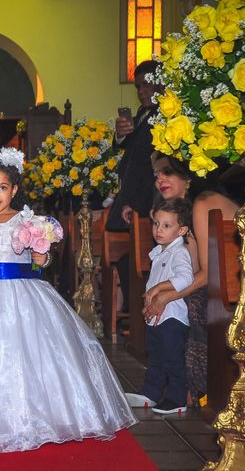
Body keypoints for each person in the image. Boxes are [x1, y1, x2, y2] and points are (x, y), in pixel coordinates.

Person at [0, 149, 137, 453]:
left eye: (3, 187)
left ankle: (37, 415)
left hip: (24, 295)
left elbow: (40, 262)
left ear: (15, 190)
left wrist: (41, 255)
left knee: (30, 357)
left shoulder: (27, 220)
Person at [145, 152, 239, 405]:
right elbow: (195, 268)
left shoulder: (203, 202)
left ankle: (194, 387)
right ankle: (178, 386)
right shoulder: (184, 211)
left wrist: (167, 296)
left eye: (167, 172)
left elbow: (208, 275)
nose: (160, 180)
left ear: (188, 175)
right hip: (224, 284)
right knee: (180, 303)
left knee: (187, 303)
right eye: (156, 175)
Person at [125, 198, 194, 414]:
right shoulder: (161, 251)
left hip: (172, 318)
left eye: (166, 225)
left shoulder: (179, 252)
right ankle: (151, 394)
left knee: (172, 358)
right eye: (156, 224)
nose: (158, 230)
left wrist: (157, 290)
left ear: (181, 229)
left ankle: (177, 399)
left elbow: (186, 278)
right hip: (157, 317)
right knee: (155, 356)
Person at [106, 60, 163, 309]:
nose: (142, 91)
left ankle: (141, 311)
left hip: (150, 198)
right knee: (130, 258)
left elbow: (149, 165)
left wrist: (136, 204)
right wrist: (119, 135)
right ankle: (136, 311)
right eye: (138, 86)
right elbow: (128, 150)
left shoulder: (167, 116)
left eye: (147, 85)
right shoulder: (141, 114)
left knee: (141, 259)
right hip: (133, 197)